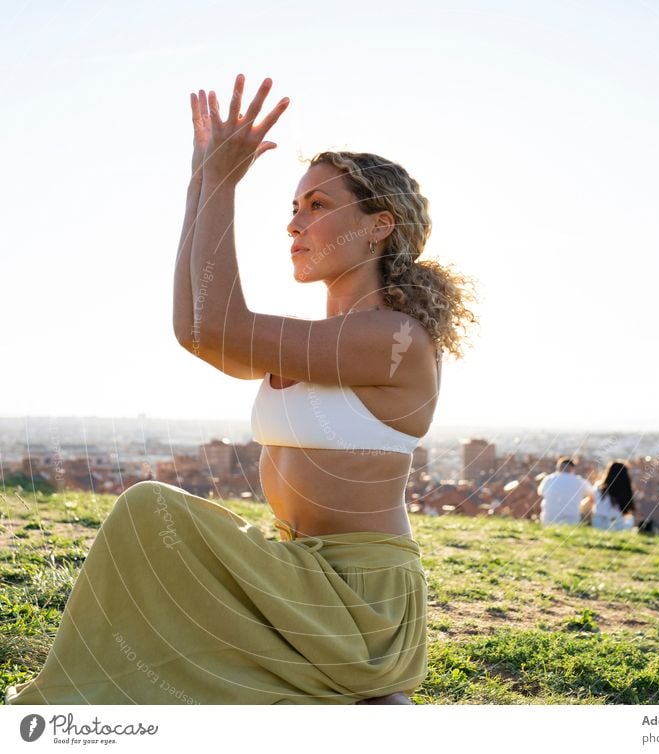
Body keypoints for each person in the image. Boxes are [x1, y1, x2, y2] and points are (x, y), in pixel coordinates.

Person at [5, 73, 478, 705]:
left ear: (377, 226)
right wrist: (201, 180)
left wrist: (224, 185)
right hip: (296, 577)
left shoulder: (392, 338)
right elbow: (197, 332)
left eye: (317, 206)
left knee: (150, 509)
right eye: (293, 206)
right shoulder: (323, 337)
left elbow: (221, 322)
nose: (294, 224)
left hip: (358, 603)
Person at [537, 456, 594, 525]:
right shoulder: (580, 481)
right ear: (572, 469)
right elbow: (593, 494)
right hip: (572, 521)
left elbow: (540, 493)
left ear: (558, 467)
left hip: (548, 520)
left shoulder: (549, 479)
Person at [589, 461, 636, 531]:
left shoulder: (598, 487)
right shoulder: (625, 491)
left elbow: (591, 501)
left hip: (598, 523)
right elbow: (628, 510)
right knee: (630, 519)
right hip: (618, 525)